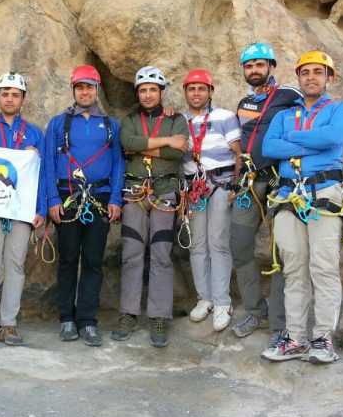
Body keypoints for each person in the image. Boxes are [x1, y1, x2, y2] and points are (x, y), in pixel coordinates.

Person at [261, 51, 343, 364]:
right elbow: (269, 147)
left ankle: (323, 338)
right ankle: (295, 338)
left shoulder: (342, 108)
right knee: (294, 269)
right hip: (289, 195)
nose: (311, 77)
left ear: (330, 77)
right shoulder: (284, 115)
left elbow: (335, 137)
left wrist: (293, 140)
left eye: (318, 71)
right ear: (299, 78)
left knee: (323, 267)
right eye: (305, 72)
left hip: (324, 192)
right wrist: (316, 142)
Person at [44, 65, 125, 347]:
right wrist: (52, 199)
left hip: (99, 197)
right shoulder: (58, 123)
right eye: (80, 87)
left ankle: (87, 320)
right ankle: (67, 318)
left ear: (97, 89)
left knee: (93, 260)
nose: (85, 92)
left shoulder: (111, 125)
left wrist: (115, 198)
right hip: (68, 196)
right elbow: (48, 162)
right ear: (73, 90)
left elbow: (118, 163)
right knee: (68, 259)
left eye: (89, 87)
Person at [230, 43, 301, 346]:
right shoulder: (244, 102)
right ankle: (255, 311)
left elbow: (305, 124)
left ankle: (280, 323)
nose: (254, 70)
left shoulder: (289, 96)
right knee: (239, 247)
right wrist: (236, 182)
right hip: (249, 183)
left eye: (260, 64)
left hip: (278, 182)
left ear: (271, 66)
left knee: (281, 253)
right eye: (249, 66)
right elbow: (243, 144)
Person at [115, 66, 188, 347]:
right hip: (135, 192)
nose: (147, 95)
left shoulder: (176, 120)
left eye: (152, 90)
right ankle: (128, 313)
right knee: (131, 253)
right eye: (143, 90)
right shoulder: (130, 120)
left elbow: (177, 153)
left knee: (161, 254)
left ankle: (159, 316)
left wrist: (140, 148)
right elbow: (126, 141)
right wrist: (167, 141)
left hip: (164, 191)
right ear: (137, 93)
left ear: (161, 92)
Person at [0, 72, 46, 347]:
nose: (10, 99)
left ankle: (8, 324)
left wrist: (41, 208)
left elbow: (42, 174)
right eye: (5, 94)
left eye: (15, 95)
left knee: (15, 265)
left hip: (21, 208)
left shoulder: (35, 133)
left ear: (23, 100)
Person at [181, 70, 241, 332]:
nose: (196, 93)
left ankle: (222, 302)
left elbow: (239, 153)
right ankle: (204, 298)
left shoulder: (225, 117)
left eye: (201, 88)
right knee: (197, 245)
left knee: (218, 242)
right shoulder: (179, 121)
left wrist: (236, 185)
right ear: (185, 92)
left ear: (210, 92)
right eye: (191, 88)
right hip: (193, 187)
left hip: (220, 183)